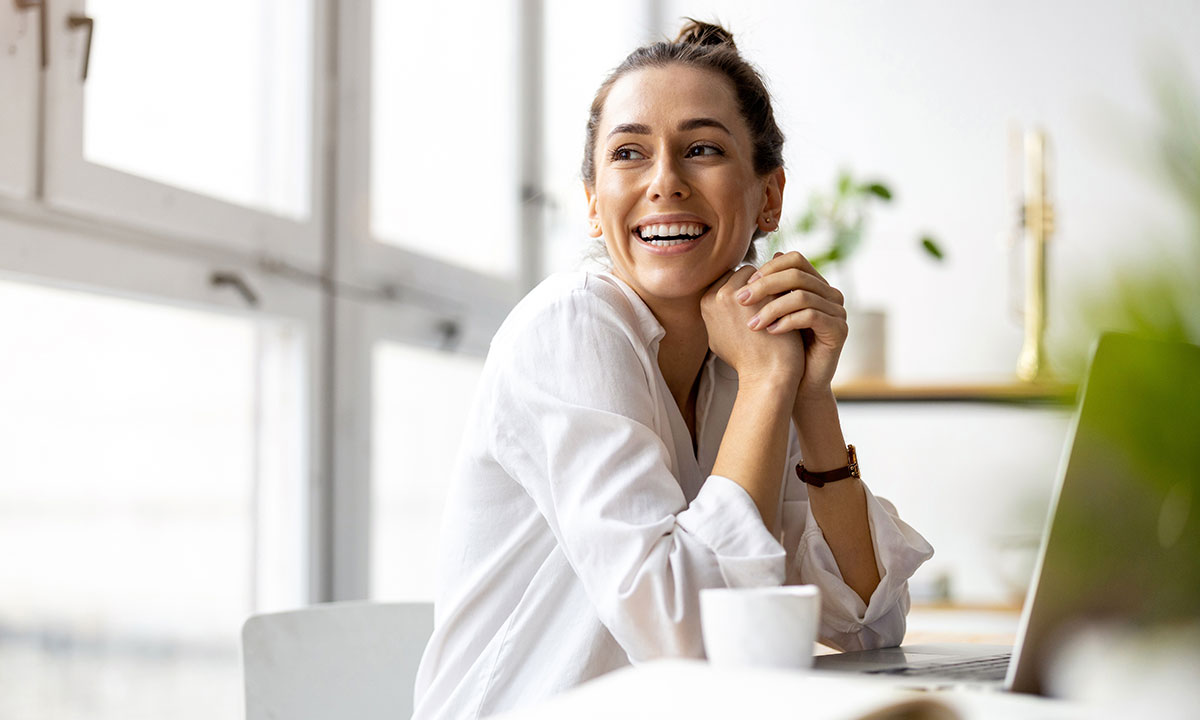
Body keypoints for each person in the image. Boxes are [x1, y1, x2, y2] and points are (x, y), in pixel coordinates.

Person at [411, 20, 933, 720]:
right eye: (629, 153)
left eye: (702, 149)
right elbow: (683, 635)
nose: (664, 182)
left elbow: (869, 623)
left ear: (769, 197)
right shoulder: (573, 327)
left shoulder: (739, 362)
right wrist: (769, 386)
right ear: (595, 202)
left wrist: (807, 394)